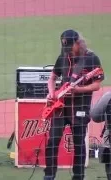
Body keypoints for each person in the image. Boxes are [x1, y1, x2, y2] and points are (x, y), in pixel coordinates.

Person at [43, 29, 105, 180]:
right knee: (52, 142)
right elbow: (51, 78)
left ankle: (78, 176)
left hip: (80, 108)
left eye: (70, 47)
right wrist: (51, 92)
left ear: (78, 43)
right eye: (66, 47)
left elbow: (97, 85)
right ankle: (49, 176)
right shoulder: (63, 57)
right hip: (60, 107)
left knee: (79, 145)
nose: (68, 51)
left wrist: (79, 89)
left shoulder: (91, 59)